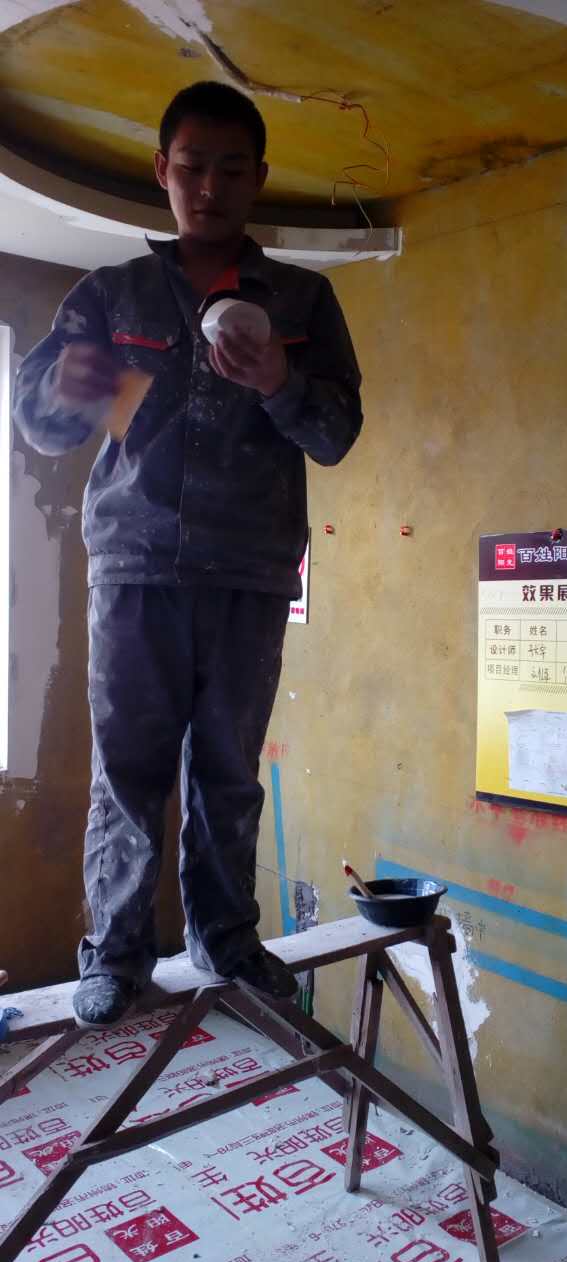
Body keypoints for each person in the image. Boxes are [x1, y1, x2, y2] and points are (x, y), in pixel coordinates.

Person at [13, 81, 362, 1027]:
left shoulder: (302, 300)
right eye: (193, 166)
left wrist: (282, 378)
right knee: (127, 769)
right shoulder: (110, 293)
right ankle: (116, 954)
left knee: (229, 770)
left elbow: (335, 434)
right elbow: (42, 428)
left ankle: (225, 938)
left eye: (232, 170)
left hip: (251, 570)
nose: (210, 187)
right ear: (162, 170)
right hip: (134, 567)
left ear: (260, 178)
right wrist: (62, 387)